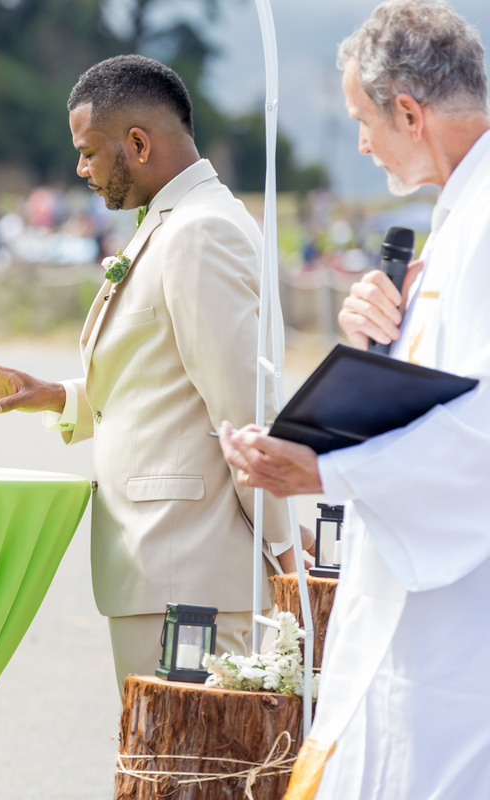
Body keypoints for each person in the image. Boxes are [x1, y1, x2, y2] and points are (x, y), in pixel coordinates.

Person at [0, 55, 300, 694]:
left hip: (194, 574)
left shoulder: (198, 232)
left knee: (185, 779)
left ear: (138, 143)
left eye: (88, 153)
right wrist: (52, 395)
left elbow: (242, 410)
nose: (80, 170)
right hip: (168, 567)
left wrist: (284, 559)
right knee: (161, 774)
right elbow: (165, 384)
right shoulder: (170, 222)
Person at [217, 3, 490, 798]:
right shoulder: (459, 214)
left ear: (409, 110)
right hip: (419, 581)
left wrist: (328, 472)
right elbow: (438, 379)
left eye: (362, 121)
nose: (361, 143)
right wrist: (383, 337)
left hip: (462, 605)